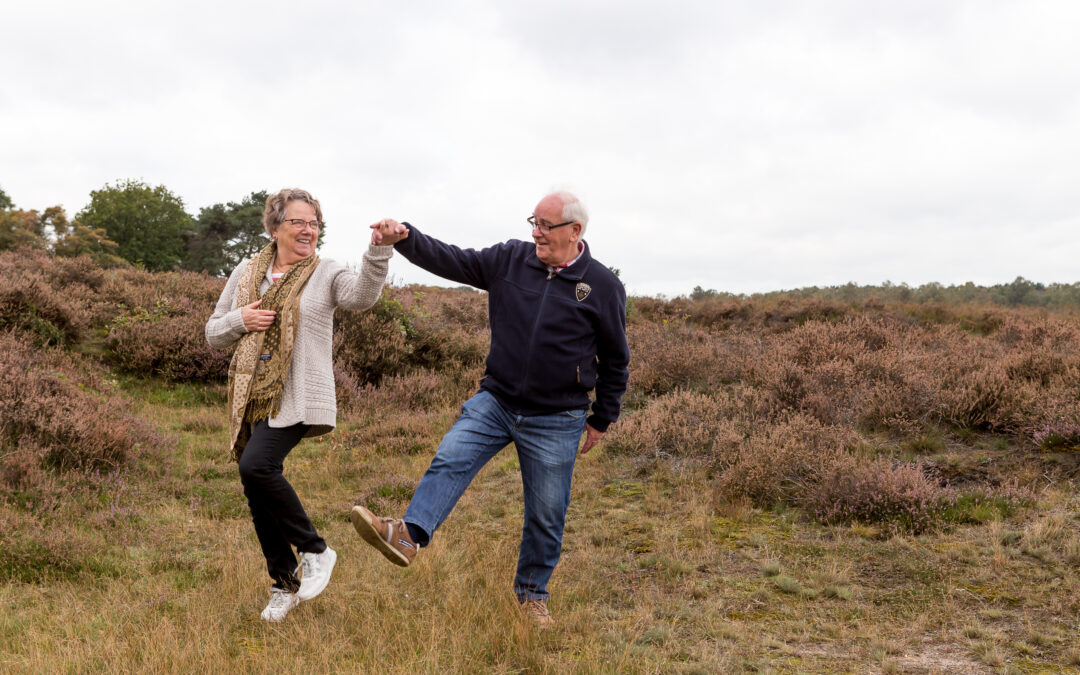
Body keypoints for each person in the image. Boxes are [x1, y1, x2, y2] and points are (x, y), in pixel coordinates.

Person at [352, 190, 630, 627]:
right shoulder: (509, 260)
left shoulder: (602, 286)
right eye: (533, 222)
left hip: (557, 418)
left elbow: (615, 360)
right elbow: (453, 260)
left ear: (575, 231)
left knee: (545, 513)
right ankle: (409, 536)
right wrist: (405, 238)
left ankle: (532, 595)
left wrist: (602, 419)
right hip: (497, 400)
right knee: (450, 458)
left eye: (545, 225)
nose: (536, 233)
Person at [205, 188, 407, 622]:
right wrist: (243, 320)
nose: (308, 230)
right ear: (275, 227)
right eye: (299, 221)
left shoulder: (326, 271)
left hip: (298, 396)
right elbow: (213, 333)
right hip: (252, 396)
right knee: (257, 489)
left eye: (314, 223)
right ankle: (284, 584)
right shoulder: (246, 272)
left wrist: (379, 251)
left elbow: (362, 296)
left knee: (256, 467)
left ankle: (316, 550)